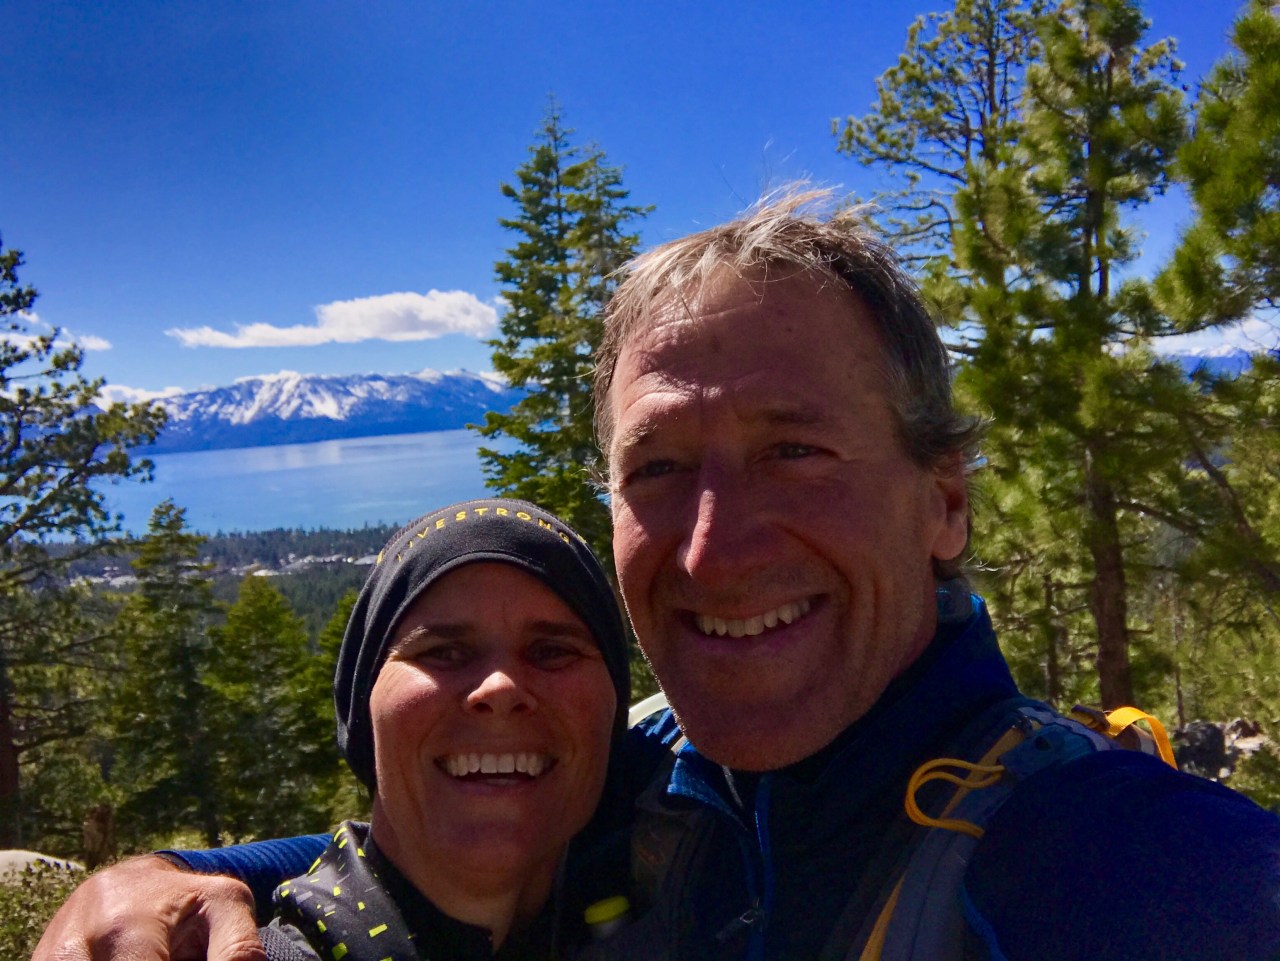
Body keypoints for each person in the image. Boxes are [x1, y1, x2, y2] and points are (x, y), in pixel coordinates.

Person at [36, 189, 1280, 961]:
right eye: (659, 470)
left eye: (792, 451)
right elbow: (435, 839)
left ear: (941, 501)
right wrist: (169, 879)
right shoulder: (652, 775)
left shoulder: (1106, 858)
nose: (709, 549)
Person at [240, 497, 628, 960]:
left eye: (552, 651)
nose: (500, 688)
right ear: (363, 711)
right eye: (443, 652)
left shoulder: (674, 909)